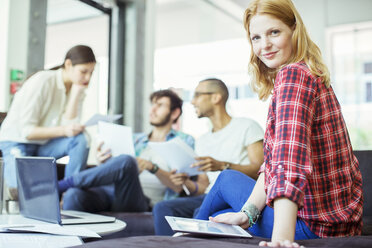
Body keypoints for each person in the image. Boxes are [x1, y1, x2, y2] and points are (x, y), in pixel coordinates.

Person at [194, 0, 363, 247]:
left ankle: (177, 239)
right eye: (256, 38)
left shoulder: (293, 76)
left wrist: (281, 240)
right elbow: (273, 163)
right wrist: (247, 215)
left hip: (314, 226)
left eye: (274, 32)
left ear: (294, 31)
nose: (265, 46)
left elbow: (288, 162)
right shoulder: (309, 72)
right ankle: (187, 233)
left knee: (222, 191)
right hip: (339, 221)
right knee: (220, 210)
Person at [153, 78, 264, 235]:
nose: (192, 102)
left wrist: (223, 165)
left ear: (216, 97)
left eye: (197, 95)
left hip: (234, 196)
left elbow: (260, 170)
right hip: (208, 196)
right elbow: (203, 187)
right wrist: (185, 182)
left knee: (200, 210)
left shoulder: (247, 126)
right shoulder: (202, 140)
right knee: (163, 207)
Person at [59, 89, 196, 212]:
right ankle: (68, 187)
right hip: (112, 190)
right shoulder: (136, 139)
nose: (152, 110)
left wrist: (151, 167)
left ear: (175, 113)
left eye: (159, 105)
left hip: (141, 200)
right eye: (152, 104)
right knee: (73, 195)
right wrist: (103, 161)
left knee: (127, 161)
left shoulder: (184, 141)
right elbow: (117, 169)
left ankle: (61, 184)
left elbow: (179, 185)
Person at [0, 45, 96, 197]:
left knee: (81, 139)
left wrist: (75, 95)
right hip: (17, 142)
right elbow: (27, 132)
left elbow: (69, 128)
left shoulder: (77, 88)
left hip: (43, 145)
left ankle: (70, 195)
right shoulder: (42, 81)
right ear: (68, 65)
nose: (88, 78)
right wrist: (65, 130)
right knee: (20, 193)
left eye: (91, 73)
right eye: (84, 72)